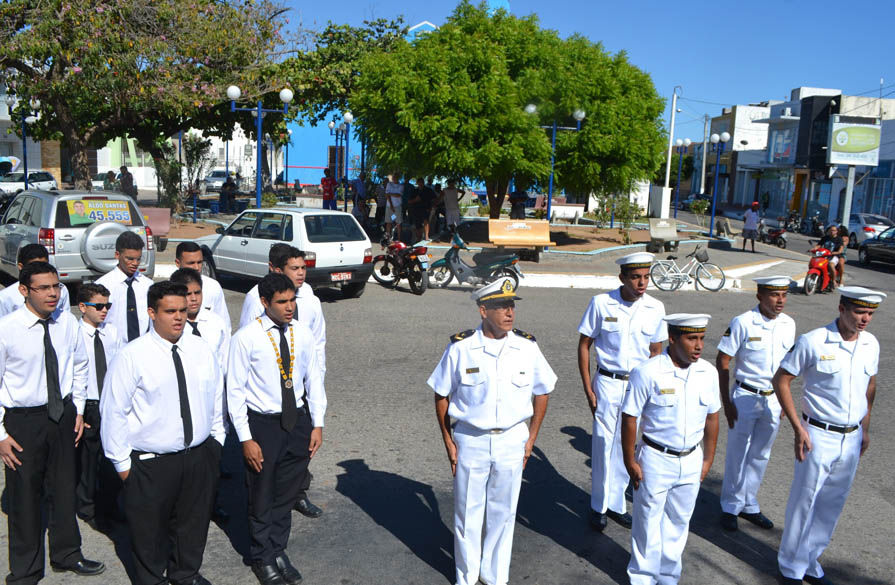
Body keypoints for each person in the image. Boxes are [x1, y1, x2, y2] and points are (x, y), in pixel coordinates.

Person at [427, 278, 556, 585]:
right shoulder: (461, 348)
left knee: (504, 513)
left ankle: (495, 576)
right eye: (501, 307)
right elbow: (441, 394)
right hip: (471, 438)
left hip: (512, 438)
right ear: (483, 310)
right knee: (467, 514)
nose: (509, 312)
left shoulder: (527, 347)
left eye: (511, 306)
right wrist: (448, 441)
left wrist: (531, 439)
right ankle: (467, 577)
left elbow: (543, 391)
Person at [101, 281, 225, 585]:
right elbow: (113, 411)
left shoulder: (200, 349)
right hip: (151, 464)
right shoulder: (133, 356)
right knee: (149, 534)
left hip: (197, 457)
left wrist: (216, 442)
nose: (179, 317)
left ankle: (185, 575)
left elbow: (216, 397)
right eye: (170, 311)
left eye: (183, 310)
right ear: (152, 312)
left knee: (192, 527)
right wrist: (123, 466)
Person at [0, 261, 106, 582]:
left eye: (56, 287)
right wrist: (1, 435)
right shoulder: (7, 329)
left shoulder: (67, 324)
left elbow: (80, 365)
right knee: (25, 498)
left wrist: (75, 408)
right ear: (23, 291)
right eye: (43, 288)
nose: (52, 294)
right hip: (22, 422)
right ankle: (25, 570)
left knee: (63, 490)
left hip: (61, 417)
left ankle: (67, 554)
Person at [774, 286, 884, 585]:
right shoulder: (814, 341)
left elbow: (869, 386)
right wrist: (798, 428)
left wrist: (866, 427)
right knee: (805, 501)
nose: (865, 319)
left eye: (870, 314)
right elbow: (782, 378)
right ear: (842, 308)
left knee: (831, 504)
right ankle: (790, 568)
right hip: (818, 434)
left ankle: (810, 561)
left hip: (851, 436)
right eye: (860, 312)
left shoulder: (870, 344)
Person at [228, 273, 325, 585]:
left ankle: (278, 549)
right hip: (263, 425)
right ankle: (262, 557)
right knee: (262, 494)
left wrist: (317, 424)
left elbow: (314, 381)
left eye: (292, 300)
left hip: (297, 421)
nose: (289, 307)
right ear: (264, 302)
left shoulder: (302, 333)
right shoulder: (246, 337)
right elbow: (235, 392)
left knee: (286, 494)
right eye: (281, 302)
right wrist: (246, 439)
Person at [622, 313, 721, 585]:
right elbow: (630, 417)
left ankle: (667, 577)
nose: (699, 345)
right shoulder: (648, 372)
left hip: (691, 458)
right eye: (692, 339)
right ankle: (642, 577)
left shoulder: (707, 373)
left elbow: (713, 418)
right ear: (674, 338)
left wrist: (708, 460)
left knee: (678, 524)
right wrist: (630, 460)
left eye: (701, 338)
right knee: (648, 522)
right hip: (655, 457)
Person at [576, 252, 667, 531]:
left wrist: (653, 390)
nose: (642, 283)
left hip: (638, 385)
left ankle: (616, 504)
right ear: (622, 278)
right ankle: (598, 506)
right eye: (635, 277)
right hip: (608, 382)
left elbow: (656, 351)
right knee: (603, 444)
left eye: (646, 277)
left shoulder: (655, 307)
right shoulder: (602, 303)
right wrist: (588, 386)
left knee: (627, 445)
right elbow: (584, 345)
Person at [238, 244, 326, 518]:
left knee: (298, 453)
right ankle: (267, 510)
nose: (300, 274)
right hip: (269, 395)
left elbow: (317, 342)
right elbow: (249, 347)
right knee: (268, 470)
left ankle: (296, 494)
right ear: (276, 270)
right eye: (294, 269)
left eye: (303, 268)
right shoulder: (257, 300)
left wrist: (315, 385)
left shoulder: (309, 299)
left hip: (299, 391)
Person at [716, 276, 796, 532]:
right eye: (774, 295)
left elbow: (788, 368)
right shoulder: (742, 322)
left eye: (783, 294)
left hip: (773, 399)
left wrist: (784, 400)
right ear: (760, 295)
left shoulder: (788, 324)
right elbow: (723, 360)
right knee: (738, 454)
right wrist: (726, 401)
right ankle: (730, 505)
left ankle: (749, 503)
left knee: (761, 454)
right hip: (745, 397)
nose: (780, 300)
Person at [75, 283, 124, 528]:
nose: (104, 311)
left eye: (108, 306)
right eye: (99, 306)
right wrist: (78, 411)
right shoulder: (75, 334)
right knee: (88, 459)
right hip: (89, 402)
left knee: (110, 457)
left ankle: (109, 505)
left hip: (110, 401)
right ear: (83, 307)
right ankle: (87, 507)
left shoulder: (112, 332)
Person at [170, 268, 230, 375]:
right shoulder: (171, 327)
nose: (194, 299)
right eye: (188, 294)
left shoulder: (216, 323)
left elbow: (225, 362)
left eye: (197, 293)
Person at [96, 230, 152, 344]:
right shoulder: (103, 286)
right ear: (117, 255)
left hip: (143, 347)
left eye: (138, 259)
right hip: (114, 347)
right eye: (129, 259)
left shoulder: (148, 285)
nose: (135, 263)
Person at [0, 243, 71, 319]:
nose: (52, 293)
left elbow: (64, 317)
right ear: (21, 266)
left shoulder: (61, 289)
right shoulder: (6, 297)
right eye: (33, 266)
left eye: (43, 265)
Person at [175, 241, 231, 327]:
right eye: (191, 263)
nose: (197, 268)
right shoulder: (168, 290)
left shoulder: (213, 287)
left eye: (199, 262)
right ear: (178, 263)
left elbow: (224, 324)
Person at [809, 224, 844, 290]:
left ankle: (833, 281)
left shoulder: (839, 239)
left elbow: (841, 249)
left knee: (831, 265)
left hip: (834, 255)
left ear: (836, 231)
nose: (832, 232)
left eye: (834, 230)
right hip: (824, 255)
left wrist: (835, 252)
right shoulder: (825, 238)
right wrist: (813, 249)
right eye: (831, 230)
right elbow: (819, 245)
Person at [409, 177, 435, 242]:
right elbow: (409, 201)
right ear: (417, 183)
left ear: (423, 183)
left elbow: (434, 199)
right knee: (418, 224)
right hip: (416, 209)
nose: (420, 184)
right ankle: (419, 237)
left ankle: (426, 236)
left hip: (426, 209)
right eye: (419, 182)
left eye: (422, 182)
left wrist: (431, 207)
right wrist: (415, 200)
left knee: (426, 221)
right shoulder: (415, 191)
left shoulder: (428, 190)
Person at [384, 174, 404, 240]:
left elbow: (398, 195)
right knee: (388, 222)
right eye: (393, 177)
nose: (394, 178)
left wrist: (390, 194)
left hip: (397, 206)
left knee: (398, 222)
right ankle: (388, 237)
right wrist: (391, 205)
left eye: (396, 177)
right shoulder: (389, 184)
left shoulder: (401, 186)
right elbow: (387, 195)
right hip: (389, 206)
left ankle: (399, 238)